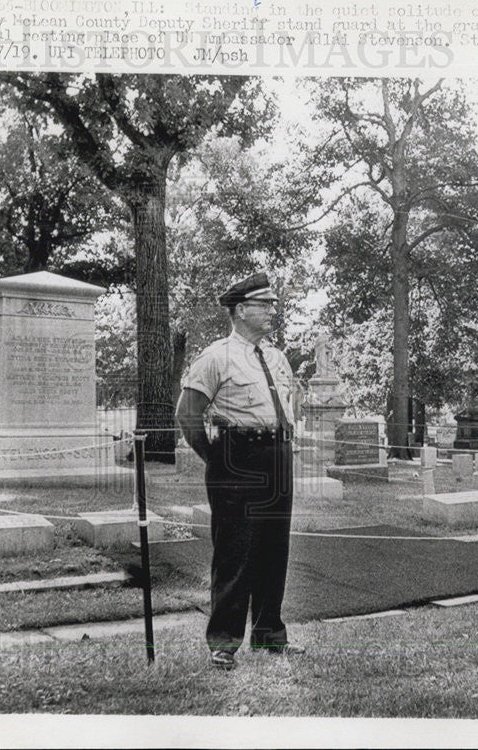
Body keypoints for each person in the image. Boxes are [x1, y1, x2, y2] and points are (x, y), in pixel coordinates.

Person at [175, 272, 305, 670]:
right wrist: (216, 458)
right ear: (241, 310)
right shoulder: (215, 357)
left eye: (272, 304)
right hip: (238, 457)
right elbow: (188, 414)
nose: (272, 311)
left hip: (277, 456)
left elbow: (289, 408)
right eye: (264, 305)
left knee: (273, 548)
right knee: (235, 551)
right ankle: (224, 641)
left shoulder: (277, 357)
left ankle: (269, 635)